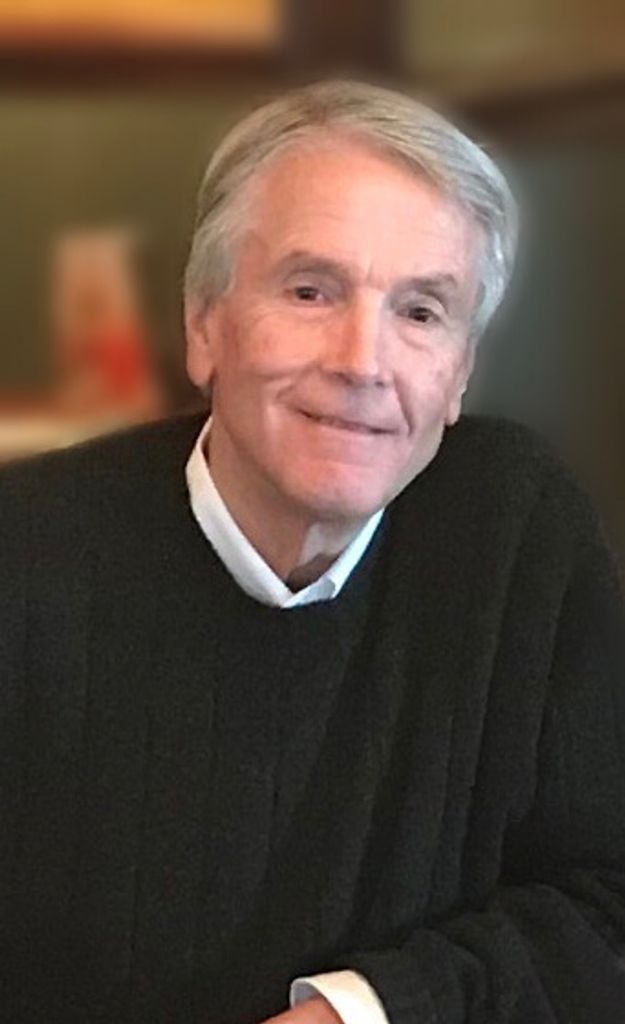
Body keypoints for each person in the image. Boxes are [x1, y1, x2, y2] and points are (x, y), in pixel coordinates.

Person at [1, 80, 624, 1024]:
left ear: (459, 372)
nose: (361, 361)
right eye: (309, 290)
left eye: (421, 312)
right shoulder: (26, 554)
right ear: (203, 325)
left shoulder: (519, 532)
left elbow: (604, 902)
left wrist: (361, 1012)